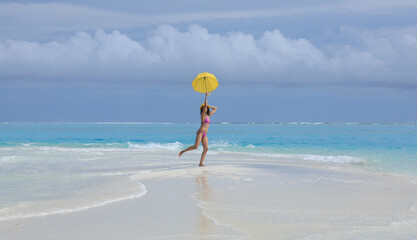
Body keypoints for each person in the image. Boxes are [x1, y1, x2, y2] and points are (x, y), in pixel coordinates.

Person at [179, 93, 217, 166]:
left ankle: (201, 163)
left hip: (205, 134)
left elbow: (215, 108)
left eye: (206, 108)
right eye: (204, 108)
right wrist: (206, 97)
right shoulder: (202, 115)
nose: (205, 108)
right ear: (202, 109)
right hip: (200, 132)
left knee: (206, 149)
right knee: (195, 146)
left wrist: (209, 105)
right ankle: (183, 151)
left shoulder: (208, 115)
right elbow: (205, 107)